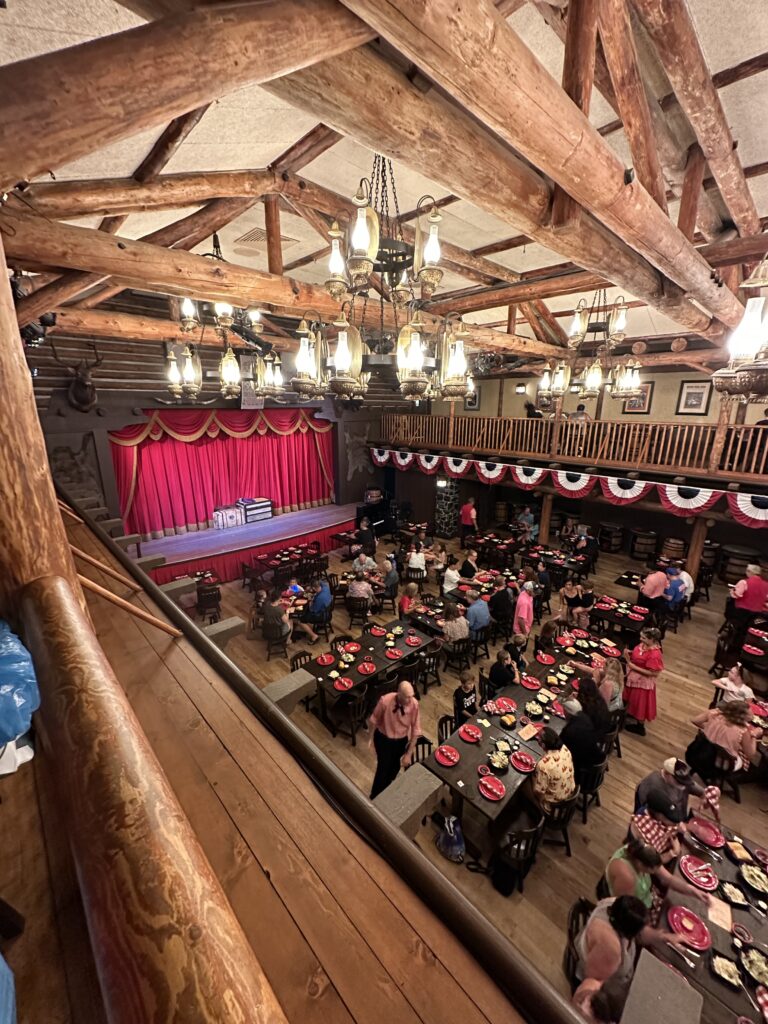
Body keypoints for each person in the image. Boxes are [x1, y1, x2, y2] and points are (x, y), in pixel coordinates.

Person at [604, 838, 709, 927]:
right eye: (652, 871)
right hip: (632, 914)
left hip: (647, 900)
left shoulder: (640, 853)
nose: (655, 873)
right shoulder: (627, 877)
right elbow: (628, 914)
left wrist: (695, 891)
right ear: (640, 864)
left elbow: (668, 879)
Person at [368, 681, 422, 799]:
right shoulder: (385, 701)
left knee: (395, 766)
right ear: (399, 694)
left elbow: (416, 730)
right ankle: (375, 796)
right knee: (383, 768)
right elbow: (373, 720)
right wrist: (371, 739)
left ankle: (387, 787)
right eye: (407, 697)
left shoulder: (414, 704)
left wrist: (408, 754)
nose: (410, 699)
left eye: (412, 695)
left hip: (401, 740)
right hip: (383, 739)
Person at [635, 758, 719, 824]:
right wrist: (682, 827)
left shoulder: (684, 782)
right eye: (679, 781)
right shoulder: (654, 787)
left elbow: (702, 792)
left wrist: (705, 799)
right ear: (667, 773)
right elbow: (655, 816)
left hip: (679, 817)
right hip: (660, 822)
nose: (683, 785)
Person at [687, 700, 759, 775]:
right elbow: (750, 754)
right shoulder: (743, 731)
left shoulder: (714, 714)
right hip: (719, 764)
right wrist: (754, 735)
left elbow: (695, 720)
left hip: (697, 753)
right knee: (742, 754)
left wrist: (709, 728)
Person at [623, 628, 664, 736]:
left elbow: (654, 673)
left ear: (652, 640)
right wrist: (631, 653)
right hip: (633, 677)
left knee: (640, 703)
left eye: (644, 638)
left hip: (642, 682)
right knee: (631, 698)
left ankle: (640, 726)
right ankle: (630, 713)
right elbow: (640, 655)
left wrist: (632, 666)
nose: (641, 639)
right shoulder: (643, 645)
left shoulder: (655, 655)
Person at [628, 789, 681, 864]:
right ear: (659, 815)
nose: (673, 822)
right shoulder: (643, 829)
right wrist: (674, 852)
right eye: (668, 816)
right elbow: (652, 864)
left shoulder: (653, 812)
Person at [531, 727, 576, 813]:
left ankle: (536, 814)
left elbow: (538, 792)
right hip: (569, 795)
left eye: (539, 738)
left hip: (554, 807)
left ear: (543, 745)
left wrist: (533, 776)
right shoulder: (565, 749)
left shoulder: (543, 765)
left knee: (525, 785)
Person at [560, 698, 600, 784]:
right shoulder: (585, 718)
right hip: (594, 761)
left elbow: (559, 749)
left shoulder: (570, 731)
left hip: (582, 772)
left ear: (567, 712)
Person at [293, 578, 332, 644]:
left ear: (314, 588)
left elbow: (312, 610)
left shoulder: (320, 598)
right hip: (328, 612)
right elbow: (320, 581)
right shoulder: (325, 587)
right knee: (306, 613)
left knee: (301, 620)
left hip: (322, 616)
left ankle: (314, 636)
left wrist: (310, 600)